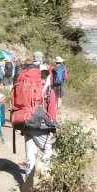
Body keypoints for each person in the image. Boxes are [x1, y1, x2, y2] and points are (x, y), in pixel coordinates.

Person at [23, 51, 57, 179]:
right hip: (40, 124)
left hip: (26, 123)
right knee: (48, 150)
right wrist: (53, 128)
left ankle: (28, 181)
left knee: (30, 154)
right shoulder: (48, 91)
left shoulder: (28, 88)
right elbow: (52, 112)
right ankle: (43, 176)